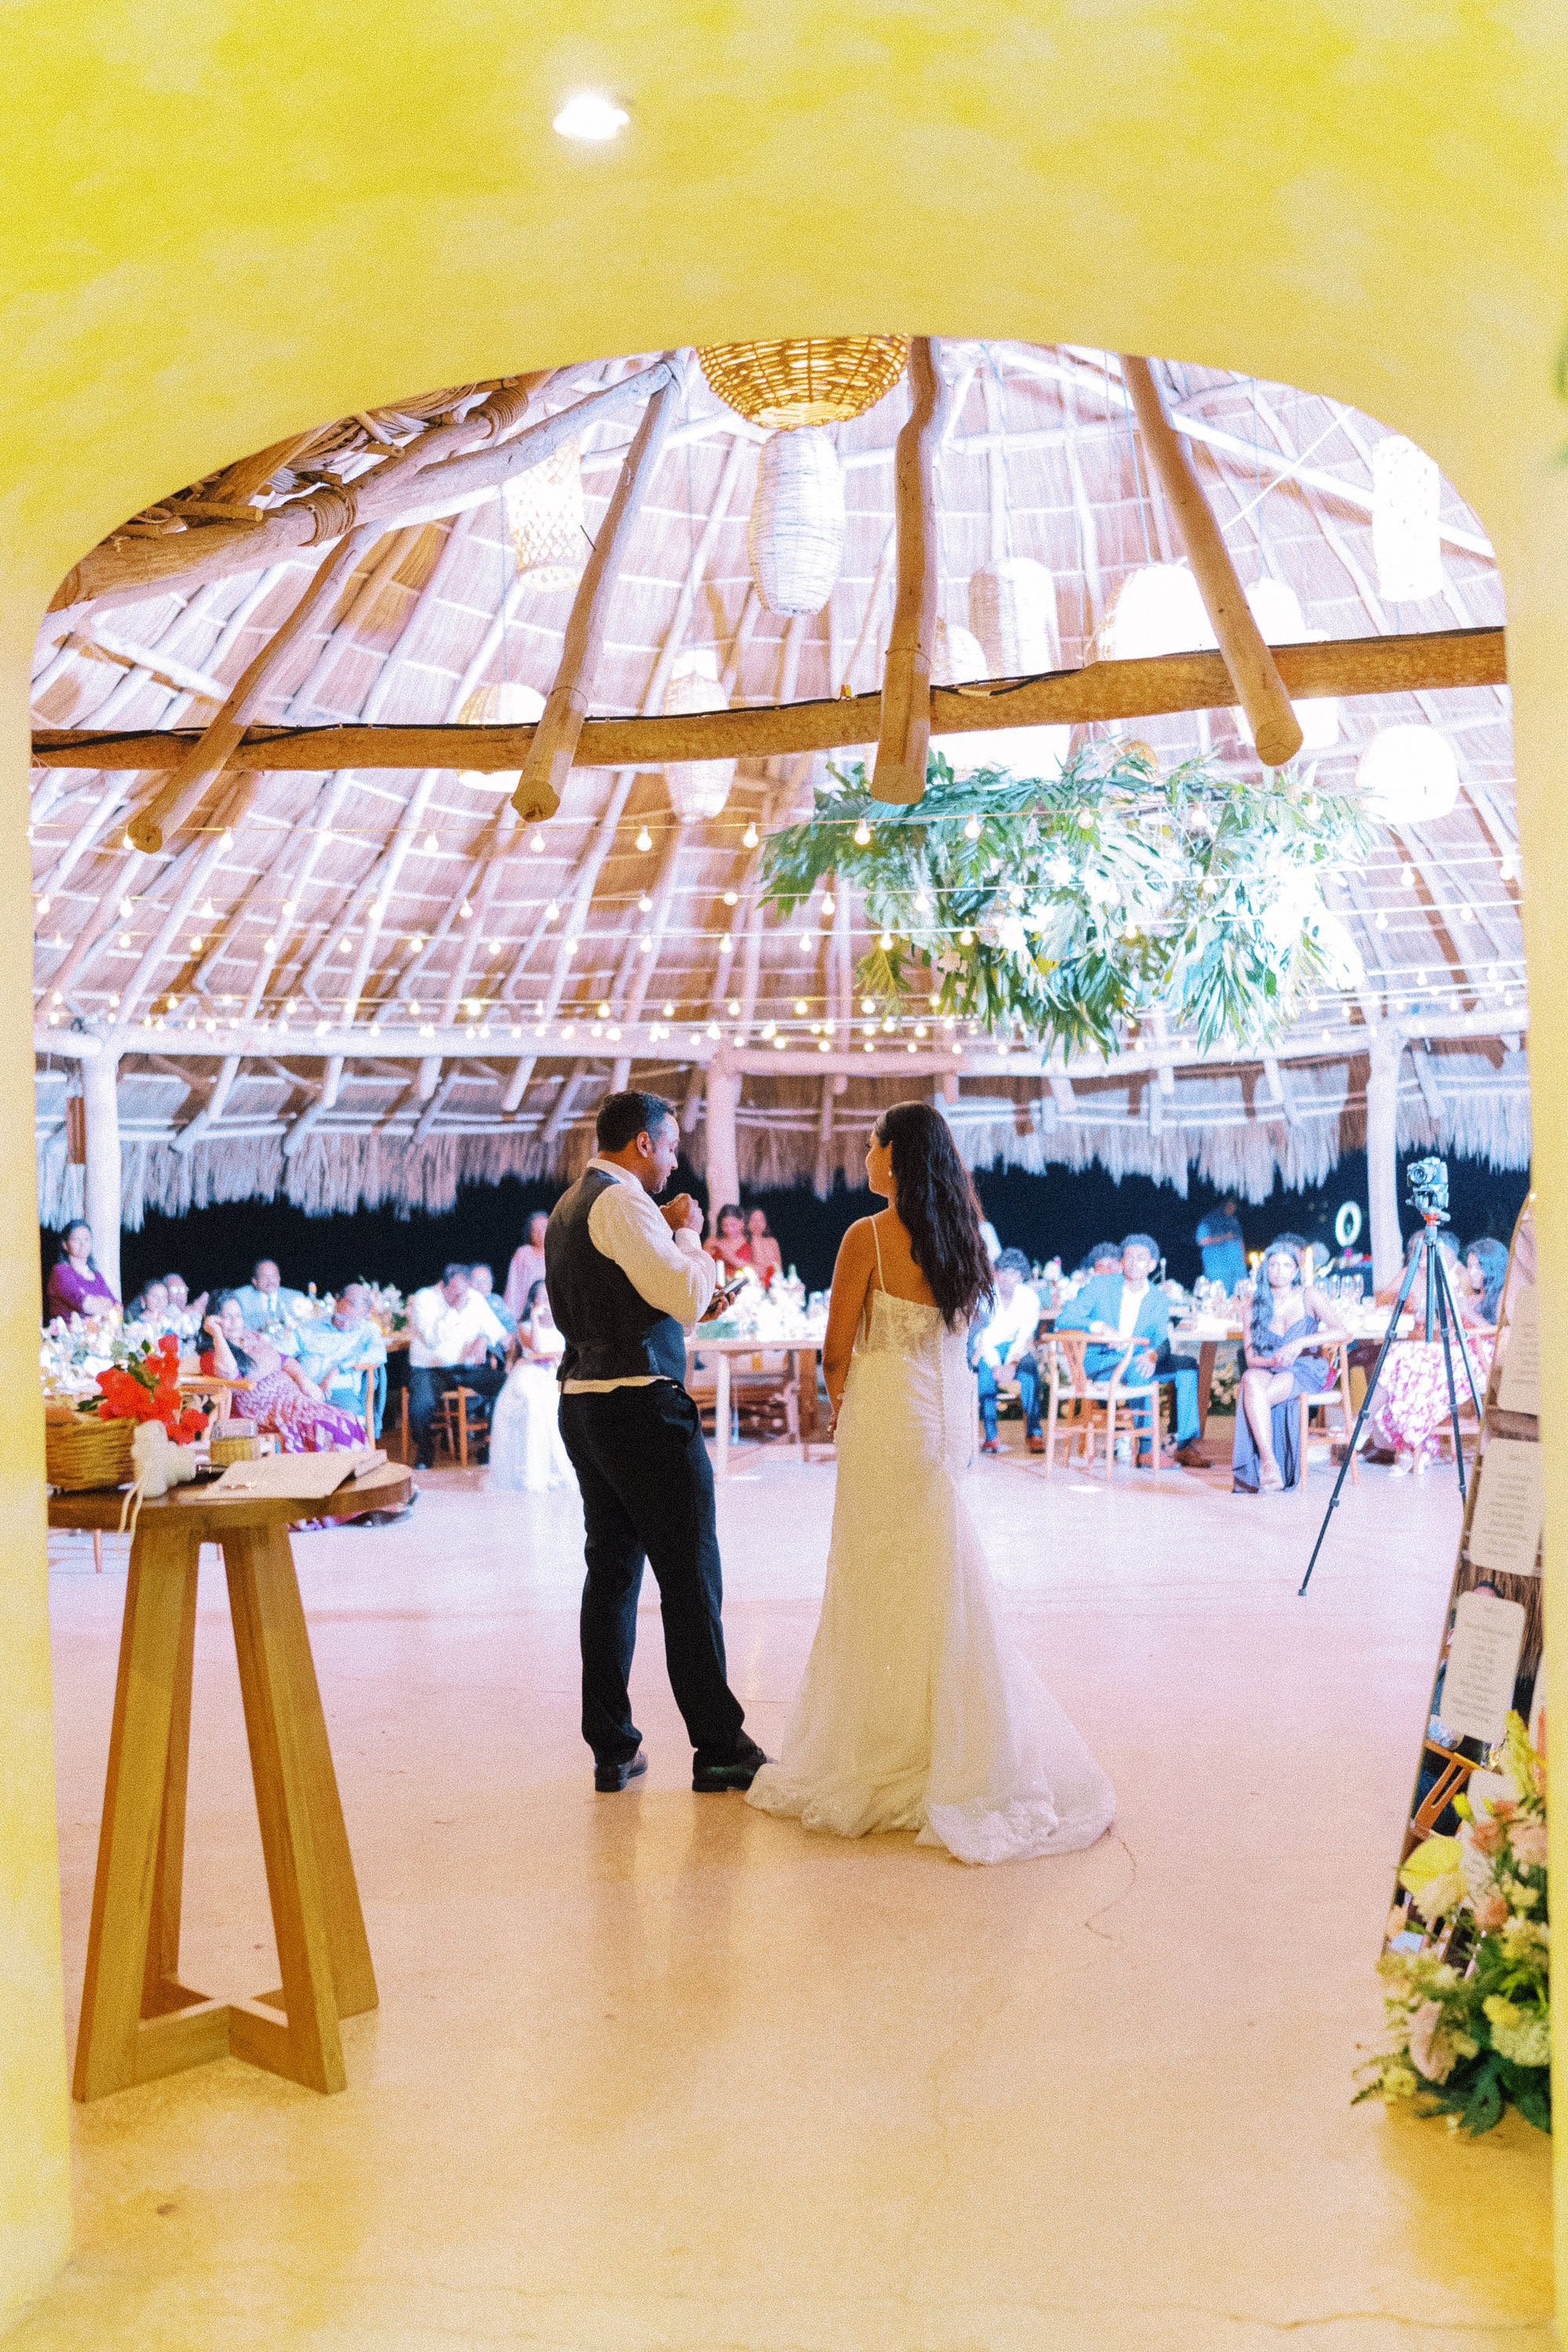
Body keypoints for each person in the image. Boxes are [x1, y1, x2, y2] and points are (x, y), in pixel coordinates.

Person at [745, 1102, 1115, 1865]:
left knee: (872, 1576)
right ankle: (955, 1741)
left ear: (895, 1159)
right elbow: (956, 1344)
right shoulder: (962, 1240)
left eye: (872, 1145)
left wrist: (843, 1414)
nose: (866, 1157)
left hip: (885, 1420)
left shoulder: (867, 1237)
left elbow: (835, 1351)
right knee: (937, 1576)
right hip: (939, 1426)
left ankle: (881, 1747)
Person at [546, 1090, 764, 1795]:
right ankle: (719, 1746)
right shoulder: (621, 1201)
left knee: (610, 1578)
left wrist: (667, 1236)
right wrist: (690, 1235)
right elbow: (685, 1295)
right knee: (689, 1578)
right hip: (640, 1408)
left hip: (584, 1404)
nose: (675, 1161)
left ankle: (612, 1746)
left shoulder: (568, 1207)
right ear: (642, 1143)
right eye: (670, 1146)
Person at [1057, 1233, 1203, 1468]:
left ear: (1152, 1265)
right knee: (1140, 1368)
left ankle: (1181, 1442)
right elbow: (1064, 1319)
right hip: (1103, 1362)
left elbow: (1159, 1339)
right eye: (1130, 1258)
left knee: (1187, 1367)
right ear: (1122, 1262)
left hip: (1135, 1360)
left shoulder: (1158, 1298)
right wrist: (1098, 1328)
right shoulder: (1100, 1285)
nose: (1134, 1263)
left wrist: (1153, 1355)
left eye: (1141, 1258)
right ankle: (1146, 1450)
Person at [1363, 1233, 1500, 1475]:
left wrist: (1464, 1311)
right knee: (1400, 1356)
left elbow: (1498, 1334)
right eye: (1470, 1266)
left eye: (1478, 1266)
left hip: (1478, 1360)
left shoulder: (1499, 1297)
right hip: (1457, 1352)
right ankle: (1403, 1442)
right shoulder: (1464, 1293)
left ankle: (1405, 1444)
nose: (1472, 1272)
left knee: (1413, 1364)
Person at [1232, 1236, 1349, 1493]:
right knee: (1250, 1379)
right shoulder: (1252, 1305)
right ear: (1265, 1268)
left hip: (1305, 1366)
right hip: (1268, 1366)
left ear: (1296, 1270)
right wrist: (1273, 1360)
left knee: (1255, 1397)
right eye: (1274, 1265)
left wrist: (1301, 1343)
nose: (1279, 1271)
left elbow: (1342, 1332)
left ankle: (1268, 1465)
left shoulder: (1309, 1295)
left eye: (1286, 1265)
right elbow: (1251, 1359)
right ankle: (1269, 1461)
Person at [200, 1292, 366, 1451]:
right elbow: (231, 1375)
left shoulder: (253, 1338)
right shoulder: (212, 1355)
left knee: (347, 1418)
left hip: (293, 1397)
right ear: (214, 1319)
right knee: (326, 1427)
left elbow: (284, 1359)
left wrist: (304, 1381)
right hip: (268, 1409)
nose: (235, 1322)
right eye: (228, 1317)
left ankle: (354, 1473)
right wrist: (217, 1334)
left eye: (238, 1316)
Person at [406, 1264, 509, 1469]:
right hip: (430, 1369)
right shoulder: (423, 1299)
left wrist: (484, 1337)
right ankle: (425, 1449)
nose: (461, 1297)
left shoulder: (473, 1298)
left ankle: (488, 1444)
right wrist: (453, 1311)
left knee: (506, 1386)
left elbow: (500, 1334)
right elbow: (431, 1339)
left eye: (464, 1291)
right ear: (442, 1285)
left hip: (465, 1368)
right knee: (420, 1406)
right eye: (455, 1292)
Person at [488, 1281, 575, 1494]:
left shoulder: (564, 1323)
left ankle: (557, 1469)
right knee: (534, 1404)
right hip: (530, 1373)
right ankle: (530, 1471)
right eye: (542, 1297)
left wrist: (558, 1358)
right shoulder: (525, 1325)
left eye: (549, 1296)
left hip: (556, 1374)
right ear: (534, 1301)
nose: (547, 1301)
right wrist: (535, 1318)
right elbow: (535, 1348)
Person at [294, 1282, 388, 1436]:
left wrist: (338, 1368)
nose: (345, 1324)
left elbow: (378, 1354)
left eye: (352, 1320)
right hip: (305, 1389)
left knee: (345, 1425)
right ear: (337, 1301)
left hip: (340, 1392)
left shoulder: (368, 1330)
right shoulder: (311, 1327)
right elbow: (281, 1350)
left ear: (365, 1314)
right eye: (341, 1317)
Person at [975, 1248, 1044, 1456]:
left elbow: (1025, 1335)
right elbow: (983, 1335)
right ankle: (991, 1436)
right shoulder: (984, 1294)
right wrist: (996, 1364)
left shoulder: (1030, 1297)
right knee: (985, 1377)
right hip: (990, 1348)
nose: (1007, 1278)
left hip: (1017, 1348)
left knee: (1030, 1375)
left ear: (1022, 1276)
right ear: (995, 1273)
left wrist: (1012, 1364)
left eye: (1014, 1273)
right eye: (1003, 1272)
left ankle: (1034, 1433)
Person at [45, 1221, 118, 1322]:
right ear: (65, 1245)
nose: (82, 1244)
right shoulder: (60, 1271)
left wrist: (103, 1305)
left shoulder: (97, 1276)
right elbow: (82, 1302)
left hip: (100, 1334)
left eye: (86, 1239)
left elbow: (117, 1307)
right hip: (69, 1335)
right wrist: (104, 1305)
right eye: (76, 1240)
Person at [231, 1258, 308, 1348]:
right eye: (264, 1276)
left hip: (289, 1349)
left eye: (274, 1275)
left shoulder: (295, 1297)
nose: (270, 1280)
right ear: (255, 1281)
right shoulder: (240, 1297)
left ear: (279, 1278)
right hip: (254, 1348)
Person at [503, 1212, 550, 1323]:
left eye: (544, 1228)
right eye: (535, 1230)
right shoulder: (523, 1254)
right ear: (530, 1234)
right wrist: (513, 1319)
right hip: (527, 1314)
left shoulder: (560, 1254)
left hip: (553, 1315)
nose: (541, 1233)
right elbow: (513, 1286)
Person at [1196, 1199, 1247, 1295]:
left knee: (1241, 1295)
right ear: (1223, 1205)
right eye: (1229, 1206)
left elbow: (1240, 1240)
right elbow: (1201, 1241)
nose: (1232, 1208)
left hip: (1237, 1266)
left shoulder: (1234, 1220)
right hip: (1217, 1267)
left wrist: (1244, 1258)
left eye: (1234, 1206)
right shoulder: (1209, 1220)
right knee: (1218, 1296)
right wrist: (1224, 1237)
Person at [470, 1262, 518, 1341]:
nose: (481, 1285)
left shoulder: (495, 1301)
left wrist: (510, 1338)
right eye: (476, 1280)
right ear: (468, 1283)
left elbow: (510, 1325)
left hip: (499, 1343)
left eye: (485, 1280)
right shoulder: (464, 1302)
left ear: (491, 1284)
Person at [705, 1204, 751, 1274]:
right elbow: (702, 1266)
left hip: (744, 1282)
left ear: (742, 1222)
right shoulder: (713, 1241)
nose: (729, 1230)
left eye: (733, 1225)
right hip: (718, 1282)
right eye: (725, 1225)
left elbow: (757, 1270)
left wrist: (730, 1257)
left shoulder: (751, 1241)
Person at [162, 1271, 208, 1338]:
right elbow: (188, 1331)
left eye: (183, 1289)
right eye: (174, 1290)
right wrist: (194, 1311)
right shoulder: (160, 1316)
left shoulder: (193, 1312)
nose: (179, 1294)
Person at [744, 1207, 783, 1278]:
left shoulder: (772, 1241)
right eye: (753, 1220)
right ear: (747, 1222)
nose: (757, 1224)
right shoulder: (745, 1241)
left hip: (774, 1281)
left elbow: (779, 1267)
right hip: (755, 1281)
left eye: (761, 1220)